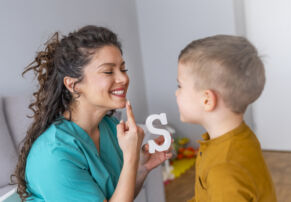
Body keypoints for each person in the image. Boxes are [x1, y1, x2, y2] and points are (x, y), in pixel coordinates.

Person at [13, 25, 172, 202]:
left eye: (123, 69)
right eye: (108, 71)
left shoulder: (110, 127)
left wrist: (141, 167)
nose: (123, 78)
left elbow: (117, 197)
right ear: (73, 85)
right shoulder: (55, 155)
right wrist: (130, 157)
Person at [175, 35, 277, 202]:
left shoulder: (224, 169)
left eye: (180, 86)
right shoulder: (239, 136)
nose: (176, 92)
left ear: (207, 100)